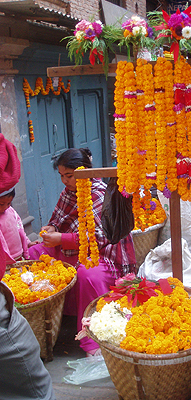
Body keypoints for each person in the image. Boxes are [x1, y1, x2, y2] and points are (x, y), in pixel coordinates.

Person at [29, 148, 136, 356]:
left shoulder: (99, 193)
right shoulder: (68, 192)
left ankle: (92, 340)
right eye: (61, 175)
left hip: (104, 254)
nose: (64, 181)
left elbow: (103, 237)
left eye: (69, 175)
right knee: (35, 254)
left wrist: (62, 239)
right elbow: (58, 220)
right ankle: (43, 326)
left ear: (83, 171)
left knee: (87, 274)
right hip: (72, 249)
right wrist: (51, 229)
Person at [0, 132, 55, 399]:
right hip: (10, 268)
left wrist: (28, 248)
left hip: (20, 258)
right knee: (34, 385)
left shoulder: (9, 212)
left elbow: (21, 231)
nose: (5, 206)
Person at [0, 188, 38, 265]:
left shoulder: (11, 211)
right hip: (3, 262)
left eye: (9, 203)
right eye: (1, 204)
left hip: (18, 256)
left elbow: (19, 230)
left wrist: (27, 243)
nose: (6, 207)